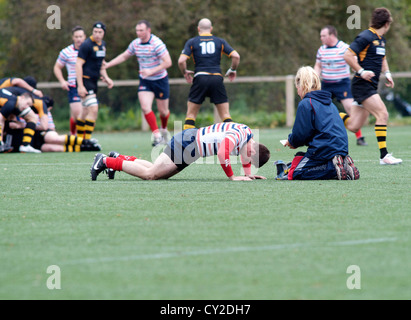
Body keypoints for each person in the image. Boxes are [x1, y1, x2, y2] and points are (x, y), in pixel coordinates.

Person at [90, 122, 270, 181]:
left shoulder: (248, 139)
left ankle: (118, 158)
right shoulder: (239, 135)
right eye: (247, 159)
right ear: (252, 150)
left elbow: (247, 159)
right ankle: (105, 161)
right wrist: (232, 176)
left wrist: (249, 175)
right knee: (150, 175)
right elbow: (223, 153)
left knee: (156, 173)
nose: (243, 159)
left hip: (191, 148)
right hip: (187, 143)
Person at [278, 66, 360, 181]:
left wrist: (291, 141)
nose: (297, 92)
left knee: (296, 172)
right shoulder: (331, 104)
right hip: (341, 148)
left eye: (297, 87)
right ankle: (342, 162)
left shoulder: (306, 103)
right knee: (296, 162)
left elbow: (301, 134)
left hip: (323, 149)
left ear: (301, 85)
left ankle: (332, 168)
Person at [343, 7, 402, 165]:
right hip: (362, 85)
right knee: (382, 114)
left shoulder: (381, 39)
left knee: (354, 126)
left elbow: (382, 58)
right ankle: (384, 156)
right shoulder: (365, 36)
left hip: (369, 86)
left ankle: (331, 115)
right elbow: (347, 55)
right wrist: (361, 71)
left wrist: (387, 73)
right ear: (387, 23)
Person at [104, 20, 172, 146]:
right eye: (137, 30)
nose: (138, 33)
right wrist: (108, 64)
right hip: (145, 80)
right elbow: (124, 56)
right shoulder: (135, 44)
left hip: (160, 80)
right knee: (145, 107)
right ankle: (157, 136)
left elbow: (168, 62)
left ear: (148, 31)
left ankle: (164, 130)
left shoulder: (157, 44)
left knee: (163, 111)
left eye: (141, 30)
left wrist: (151, 70)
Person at [178, 18, 240, 130]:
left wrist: (185, 72)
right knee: (225, 115)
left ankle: (187, 144)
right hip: (216, 78)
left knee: (191, 115)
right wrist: (233, 69)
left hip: (200, 78)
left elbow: (181, 61)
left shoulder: (192, 42)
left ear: (198, 29)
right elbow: (236, 56)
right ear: (211, 29)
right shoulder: (220, 41)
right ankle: (233, 141)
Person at [314, 25, 367, 146]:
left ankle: (359, 137)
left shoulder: (344, 47)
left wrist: (357, 68)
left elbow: (354, 60)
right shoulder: (321, 49)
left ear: (332, 35)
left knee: (350, 108)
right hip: (326, 84)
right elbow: (318, 65)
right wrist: (315, 76)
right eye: (321, 36)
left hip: (342, 83)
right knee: (319, 110)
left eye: (323, 35)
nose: (321, 38)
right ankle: (320, 137)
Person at [75, 22, 113, 140]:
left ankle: (80, 139)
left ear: (104, 33)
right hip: (85, 82)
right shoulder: (86, 45)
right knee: (93, 109)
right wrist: (80, 86)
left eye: (100, 32)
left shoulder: (103, 45)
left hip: (94, 82)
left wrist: (106, 77)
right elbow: (78, 65)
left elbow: (100, 64)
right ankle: (87, 140)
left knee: (85, 111)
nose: (97, 34)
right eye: (95, 31)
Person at [4, 114, 101, 153]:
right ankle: (85, 148)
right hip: (33, 146)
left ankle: (86, 141)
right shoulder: (4, 144)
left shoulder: (9, 124)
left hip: (38, 134)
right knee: (51, 148)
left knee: (54, 139)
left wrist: (20, 125)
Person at [54, 26, 87, 135]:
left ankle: (74, 134)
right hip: (73, 87)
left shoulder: (89, 50)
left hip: (88, 86)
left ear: (85, 37)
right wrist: (62, 81)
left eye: (81, 36)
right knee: (78, 115)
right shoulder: (66, 52)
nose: (79, 39)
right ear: (73, 38)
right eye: (76, 36)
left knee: (86, 114)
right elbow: (57, 67)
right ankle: (78, 137)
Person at [0, 88, 40, 153]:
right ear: (22, 97)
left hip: (12, 104)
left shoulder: (16, 103)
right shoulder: (10, 103)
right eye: (27, 103)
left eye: (29, 106)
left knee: (33, 117)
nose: (26, 107)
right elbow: (0, 120)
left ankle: (25, 145)